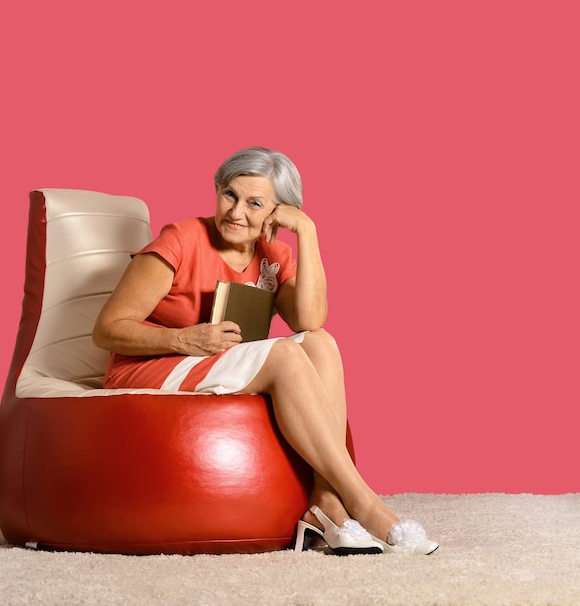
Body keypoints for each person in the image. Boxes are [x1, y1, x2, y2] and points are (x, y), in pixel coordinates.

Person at [92, 146, 438, 556]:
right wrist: (183, 339)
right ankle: (364, 502)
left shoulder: (274, 253)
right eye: (229, 195)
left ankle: (326, 504)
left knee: (320, 343)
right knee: (285, 354)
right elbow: (107, 330)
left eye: (255, 203)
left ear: (278, 212)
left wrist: (307, 233)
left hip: (216, 361)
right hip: (153, 364)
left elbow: (310, 320)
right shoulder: (181, 239)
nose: (236, 212)